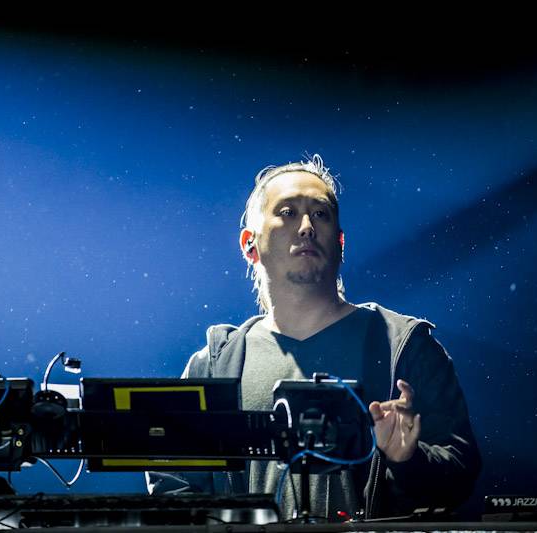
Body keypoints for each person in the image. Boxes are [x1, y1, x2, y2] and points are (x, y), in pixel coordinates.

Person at [147, 154, 481, 521]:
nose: (306, 227)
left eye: (320, 214)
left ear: (340, 241)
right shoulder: (214, 366)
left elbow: (460, 475)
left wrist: (409, 460)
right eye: (288, 212)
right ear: (249, 244)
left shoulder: (403, 346)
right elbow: (173, 485)